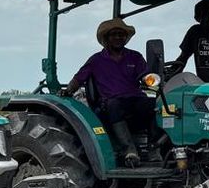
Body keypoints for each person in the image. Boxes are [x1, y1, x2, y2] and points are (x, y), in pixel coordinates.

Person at [61, 17, 155, 167]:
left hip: (135, 99)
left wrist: (151, 79)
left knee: (158, 105)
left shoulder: (135, 57)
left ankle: (154, 148)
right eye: (114, 34)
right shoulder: (96, 60)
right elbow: (78, 79)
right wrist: (67, 91)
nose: (118, 37)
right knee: (114, 105)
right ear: (106, 38)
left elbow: (146, 76)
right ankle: (129, 150)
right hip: (111, 103)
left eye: (121, 34)